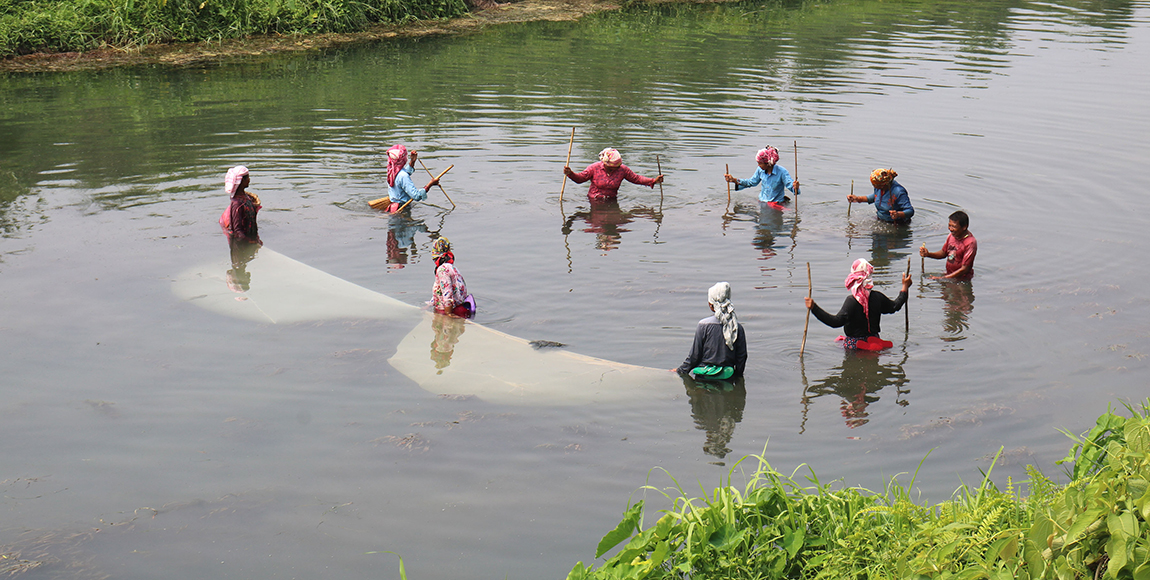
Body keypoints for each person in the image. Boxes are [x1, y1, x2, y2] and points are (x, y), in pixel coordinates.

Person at [804, 258, 911, 351]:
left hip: (856, 347)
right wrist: (905, 287)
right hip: (875, 341)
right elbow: (895, 307)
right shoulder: (877, 297)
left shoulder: (852, 301)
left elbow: (835, 322)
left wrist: (814, 308)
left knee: (838, 343)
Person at [673, 282, 748, 380]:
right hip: (727, 376)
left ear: (711, 305)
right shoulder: (737, 327)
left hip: (704, 376)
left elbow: (694, 356)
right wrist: (738, 376)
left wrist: (680, 371)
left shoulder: (703, 325)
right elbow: (742, 357)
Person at [563, 147, 664, 202]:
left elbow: (636, 178)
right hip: (594, 201)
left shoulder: (622, 170)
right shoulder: (594, 168)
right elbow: (580, 178)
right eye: (612, 167)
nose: (615, 169)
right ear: (605, 163)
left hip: (612, 200)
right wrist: (570, 173)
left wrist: (654, 180)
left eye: (617, 167)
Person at [723, 146, 800, 210]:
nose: (758, 165)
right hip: (762, 202)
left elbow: (791, 187)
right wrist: (734, 180)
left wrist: (795, 187)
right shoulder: (760, 170)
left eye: (760, 163)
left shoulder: (782, 172)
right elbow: (751, 182)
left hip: (776, 204)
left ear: (768, 163)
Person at [919, 210, 976, 280]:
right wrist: (928, 254)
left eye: (954, 226)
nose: (950, 229)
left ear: (964, 227)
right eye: (949, 225)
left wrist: (942, 278)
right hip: (949, 275)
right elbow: (943, 253)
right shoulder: (951, 236)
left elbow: (965, 269)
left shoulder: (970, 243)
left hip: (962, 279)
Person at [385, 144, 439, 213]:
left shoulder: (391, 170)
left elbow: (402, 175)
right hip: (402, 210)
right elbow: (416, 196)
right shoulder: (403, 176)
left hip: (393, 208)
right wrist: (430, 184)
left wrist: (412, 162)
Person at [847, 168, 913, 223]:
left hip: (896, 223)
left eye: (875, 185)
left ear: (883, 184)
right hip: (881, 219)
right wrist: (857, 198)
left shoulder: (898, 191)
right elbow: (875, 197)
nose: (874, 187)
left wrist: (898, 214)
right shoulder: (879, 188)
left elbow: (910, 211)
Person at [430, 237, 475, 317]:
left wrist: (449, 314)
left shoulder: (442, 270)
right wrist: (429, 305)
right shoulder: (452, 268)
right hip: (461, 309)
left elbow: (447, 293)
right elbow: (441, 290)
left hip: (450, 311)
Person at [219, 165, 261, 244]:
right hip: (240, 246)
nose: (249, 180)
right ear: (241, 181)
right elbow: (237, 231)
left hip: (249, 237)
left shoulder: (246, 197)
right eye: (247, 178)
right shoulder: (237, 204)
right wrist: (250, 241)